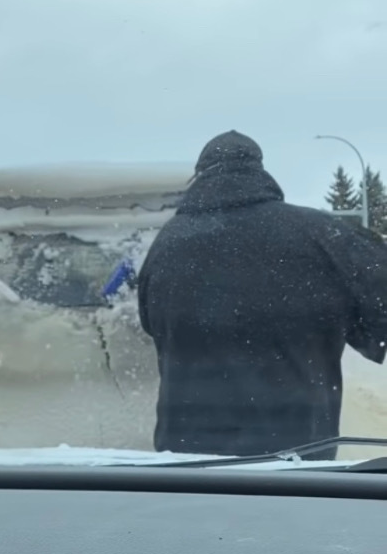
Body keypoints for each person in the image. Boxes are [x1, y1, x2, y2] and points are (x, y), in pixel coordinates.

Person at [136, 130, 387, 458]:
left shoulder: (166, 245)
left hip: (188, 467)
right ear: (259, 170)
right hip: (295, 462)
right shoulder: (321, 234)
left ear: (199, 176)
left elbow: (150, 324)